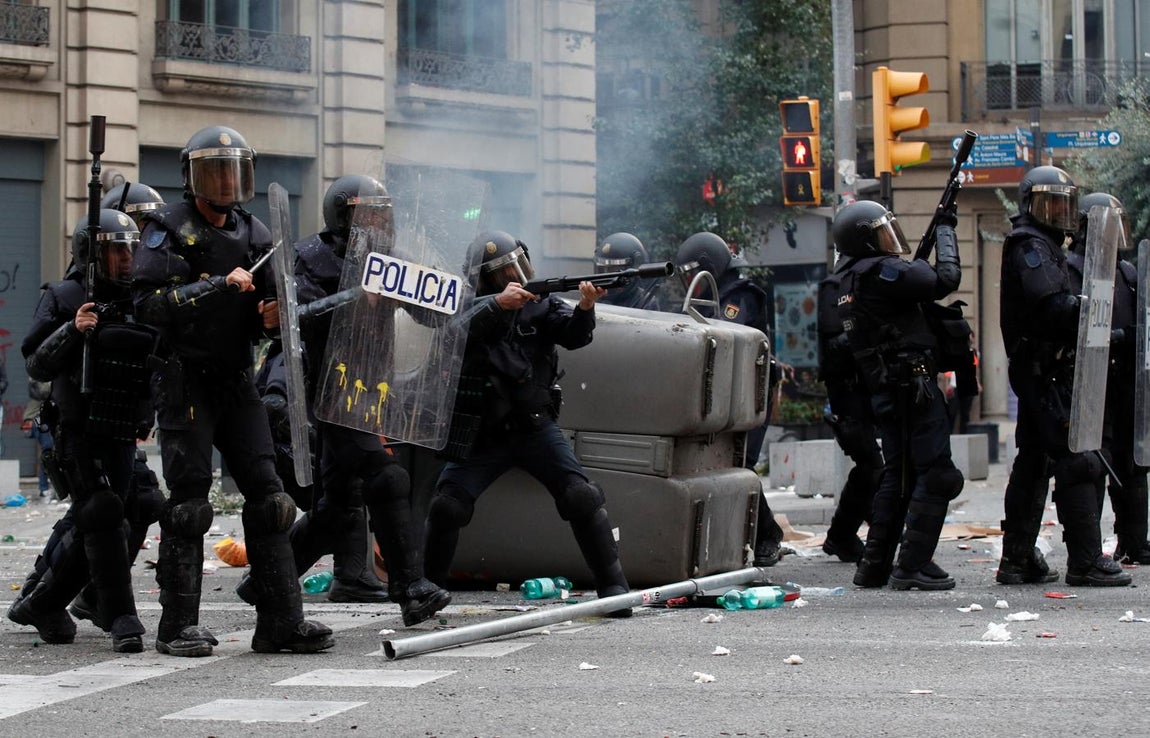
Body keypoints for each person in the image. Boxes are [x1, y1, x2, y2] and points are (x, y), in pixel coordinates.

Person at [132, 125, 334, 656]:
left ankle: (281, 623)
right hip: (184, 378)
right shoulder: (166, 228)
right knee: (189, 507)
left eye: (232, 170)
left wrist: (269, 318)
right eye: (213, 171)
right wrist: (216, 286)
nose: (224, 183)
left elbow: (271, 313)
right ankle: (177, 626)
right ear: (191, 177)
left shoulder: (257, 232)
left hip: (236, 377)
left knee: (270, 501)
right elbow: (149, 304)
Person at [241, 174, 450, 626]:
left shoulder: (390, 259)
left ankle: (266, 581)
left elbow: (434, 314)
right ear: (344, 215)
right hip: (329, 390)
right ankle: (410, 588)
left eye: (386, 214)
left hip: (371, 391)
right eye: (371, 214)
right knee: (386, 478)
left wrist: (447, 291)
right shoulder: (307, 257)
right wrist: (361, 299)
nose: (382, 222)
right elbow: (300, 319)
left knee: (336, 510)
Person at [424, 231, 632, 616]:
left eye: (518, 265)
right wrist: (497, 307)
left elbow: (575, 336)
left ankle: (613, 587)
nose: (515, 277)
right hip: (482, 434)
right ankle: (428, 593)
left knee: (580, 496)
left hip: (534, 426)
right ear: (484, 281)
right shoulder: (465, 308)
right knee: (447, 507)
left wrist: (586, 306)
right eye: (502, 273)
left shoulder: (541, 304)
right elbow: (453, 333)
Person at [8, 210, 153, 651]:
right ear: (92, 254)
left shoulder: (142, 296)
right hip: (77, 428)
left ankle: (51, 600)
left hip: (123, 427)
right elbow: (35, 362)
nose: (127, 259)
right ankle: (121, 617)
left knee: (140, 503)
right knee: (102, 512)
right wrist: (74, 330)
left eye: (132, 249)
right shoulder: (65, 296)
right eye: (116, 250)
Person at [997, 166, 1129, 587]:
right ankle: (1085, 561)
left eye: (1064, 203)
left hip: (1043, 369)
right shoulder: (1030, 246)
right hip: (1043, 371)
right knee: (1077, 456)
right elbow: (1052, 304)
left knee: (1034, 462)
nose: (1058, 211)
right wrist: (1092, 313)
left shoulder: (1043, 245)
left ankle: (1017, 559)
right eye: (1049, 203)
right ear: (1029, 205)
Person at [833, 200, 965, 590]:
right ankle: (912, 565)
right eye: (880, 233)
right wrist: (945, 228)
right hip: (914, 387)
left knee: (899, 476)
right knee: (938, 474)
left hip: (890, 390)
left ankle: (874, 566)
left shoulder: (849, 280)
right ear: (864, 242)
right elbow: (945, 279)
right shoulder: (882, 271)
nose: (888, 241)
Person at [673, 231, 785, 567]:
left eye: (693, 273)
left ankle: (768, 535)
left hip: (749, 394)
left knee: (742, 463)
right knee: (726, 463)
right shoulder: (716, 295)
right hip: (728, 394)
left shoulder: (740, 296)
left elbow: (727, 334)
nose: (690, 281)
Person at [1067, 191, 1150, 565]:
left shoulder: (1127, 272)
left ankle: (1134, 541)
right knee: (1093, 462)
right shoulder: (1073, 267)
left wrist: (1129, 337)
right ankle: (1090, 549)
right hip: (1089, 381)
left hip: (1124, 381)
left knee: (1132, 465)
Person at [815, 257, 881, 563]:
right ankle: (843, 536)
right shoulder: (835, 287)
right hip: (848, 395)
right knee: (872, 468)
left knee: (874, 469)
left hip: (868, 394)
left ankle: (845, 535)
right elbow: (836, 343)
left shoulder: (865, 280)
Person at [594, 232, 661, 309]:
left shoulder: (646, 302)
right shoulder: (595, 298)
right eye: (603, 270)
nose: (607, 274)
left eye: (615, 270)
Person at [22, 379, 53, 498]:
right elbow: (45, 391)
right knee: (47, 450)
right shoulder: (38, 377)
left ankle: (46, 487)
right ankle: (44, 488)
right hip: (34, 419)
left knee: (50, 451)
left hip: (41, 419)